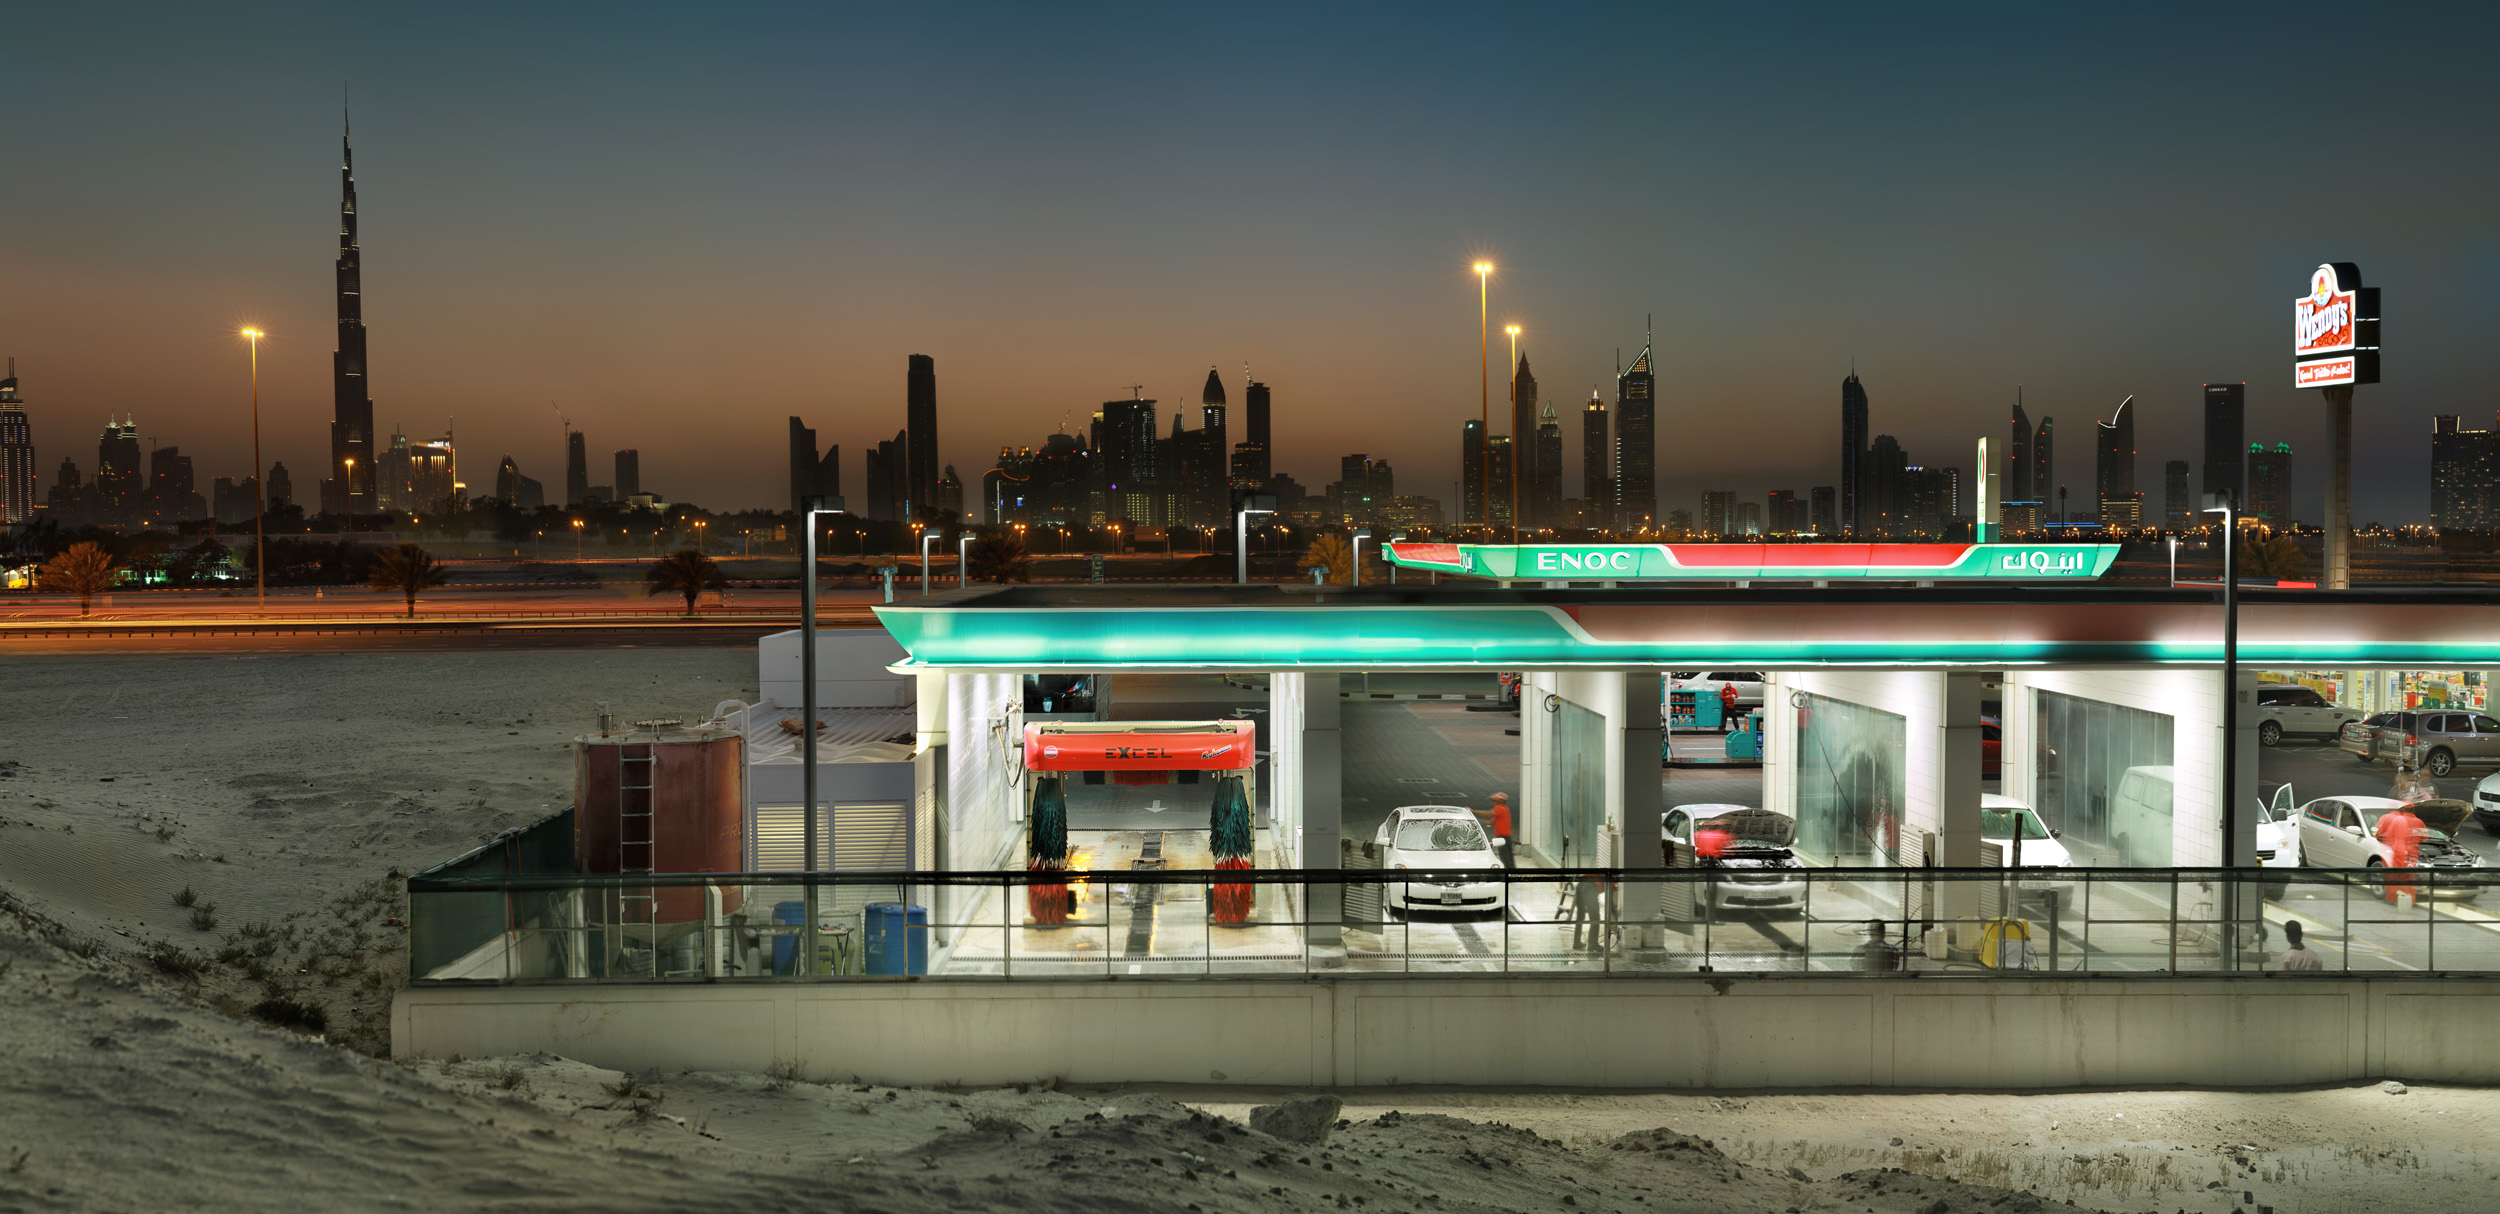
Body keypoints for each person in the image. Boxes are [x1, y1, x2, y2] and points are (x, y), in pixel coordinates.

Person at [1571, 871, 1611, 951]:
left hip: (1580, 885)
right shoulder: (1610, 880)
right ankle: (1593, 945)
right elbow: (1611, 898)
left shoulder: (1598, 873)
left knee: (1580, 916)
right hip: (1590, 888)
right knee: (1595, 918)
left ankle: (1577, 943)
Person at [1487, 792, 1516, 869]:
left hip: (1503, 838)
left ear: (1498, 801)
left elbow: (1489, 814)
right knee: (1508, 859)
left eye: (1493, 800)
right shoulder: (1504, 809)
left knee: (1505, 859)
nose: (1492, 802)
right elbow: (1494, 819)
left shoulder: (1500, 809)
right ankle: (1512, 873)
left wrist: (1473, 811)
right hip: (1506, 838)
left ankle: (1509, 875)